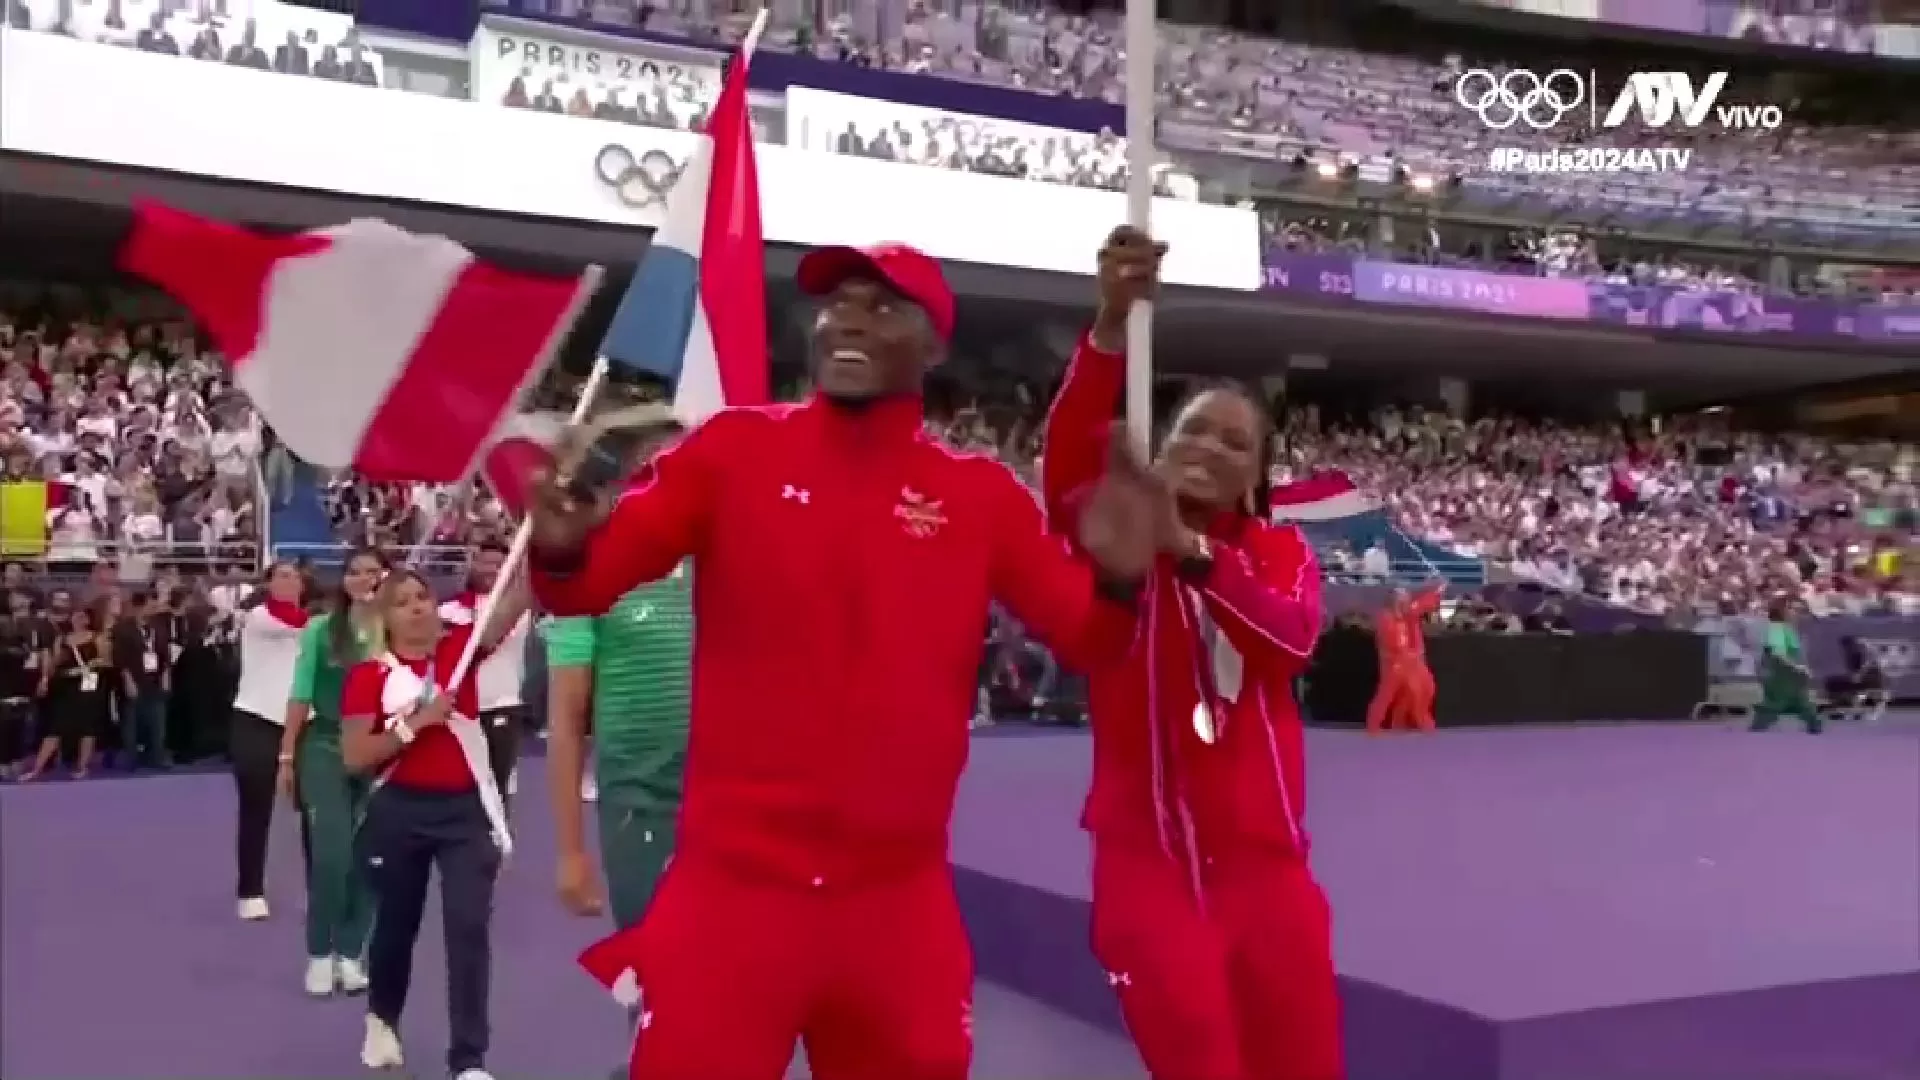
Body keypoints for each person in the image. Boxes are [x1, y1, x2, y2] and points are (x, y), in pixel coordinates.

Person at [532, 242, 1163, 1080]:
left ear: (931, 345)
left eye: (882, 306)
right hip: (733, 899)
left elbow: (1090, 641)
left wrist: (1120, 584)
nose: (849, 321)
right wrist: (564, 550)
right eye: (839, 304)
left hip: (897, 910)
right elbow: (584, 586)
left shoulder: (978, 499)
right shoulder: (731, 454)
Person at [1041, 224, 1342, 1080]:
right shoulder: (1112, 531)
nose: (1209, 448)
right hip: (1149, 869)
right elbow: (1069, 453)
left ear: (1255, 480)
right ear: (1160, 445)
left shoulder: (1276, 556)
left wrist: (1197, 555)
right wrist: (1109, 327)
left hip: (1269, 875)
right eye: (1194, 432)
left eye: (1234, 444)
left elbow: (1290, 640)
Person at [545, 419, 692, 1076]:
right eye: (655, 462)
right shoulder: (592, 572)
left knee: (737, 982)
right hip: (641, 804)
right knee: (661, 982)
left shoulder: (726, 558)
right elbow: (568, 718)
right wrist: (572, 851)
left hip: (730, 803)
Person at [339, 566, 528, 1080]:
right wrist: (413, 725)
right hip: (399, 809)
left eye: (423, 596)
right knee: (397, 926)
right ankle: (382, 1017)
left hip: (464, 813)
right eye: (403, 602)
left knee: (469, 928)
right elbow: (355, 756)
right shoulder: (370, 676)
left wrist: (543, 535)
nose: (418, 607)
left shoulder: (461, 651)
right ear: (387, 618)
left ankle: (468, 1060)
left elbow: (514, 603)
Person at [281, 545, 387, 996]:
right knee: (331, 857)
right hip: (324, 746)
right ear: (344, 581)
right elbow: (300, 693)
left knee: (370, 859)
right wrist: (286, 756)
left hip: (381, 752)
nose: (364, 580)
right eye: (356, 573)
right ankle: (319, 953)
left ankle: (350, 952)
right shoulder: (321, 631)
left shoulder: (395, 634)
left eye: (373, 572)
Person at [229, 558, 310, 922]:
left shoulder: (313, 626)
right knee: (256, 807)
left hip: (303, 722)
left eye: (295, 576)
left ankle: (317, 887)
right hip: (256, 718)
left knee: (314, 810)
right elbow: (297, 629)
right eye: (281, 575)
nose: (289, 581)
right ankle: (250, 890)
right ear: (269, 583)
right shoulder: (258, 618)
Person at [439, 541, 532, 800]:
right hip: (458, 709)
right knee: (461, 784)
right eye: (485, 562)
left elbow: (487, 639)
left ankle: (499, 837)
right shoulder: (448, 610)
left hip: (502, 705)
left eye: (499, 564)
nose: (492, 569)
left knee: (497, 785)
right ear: (472, 565)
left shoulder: (520, 611)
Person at [20, 605, 109, 780]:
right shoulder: (62, 640)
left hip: (89, 686)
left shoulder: (96, 638)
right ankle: (37, 769)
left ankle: (82, 767)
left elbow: (106, 660)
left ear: (88, 619)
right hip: (66, 687)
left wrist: (91, 665)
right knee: (56, 727)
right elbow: (53, 664)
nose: (78, 620)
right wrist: (48, 676)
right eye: (75, 616)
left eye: (82, 617)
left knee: (87, 727)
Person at [1365, 583, 1442, 734]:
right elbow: (1391, 642)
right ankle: (1374, 724)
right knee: (1388, 693)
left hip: (1408, 660)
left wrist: (1436, 592)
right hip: (1394, 662)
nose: (1405, 600)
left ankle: (1415, 722)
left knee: (1420, 690)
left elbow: (1421, 604)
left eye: (1406, 597)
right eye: (1402, 597)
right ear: (1394, 599)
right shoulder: (1386, 617)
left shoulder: (1408, 612)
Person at [114, 590, 175, 770]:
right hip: (134, 676)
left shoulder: (158, 626)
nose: (154, 608)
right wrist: (127, 679)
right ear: (140, 606)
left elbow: (165, 653)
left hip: (155, 677)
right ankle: (131, 756)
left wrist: (166, 674)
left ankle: (156, 755)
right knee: (132, 720)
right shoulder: (123, 628)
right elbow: (120, 657)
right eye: (151, 604)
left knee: (158, 719)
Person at [1752, 596, 1820, 733]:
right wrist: (1798, 667)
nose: (1799, 613)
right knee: (1775, 704)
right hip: (1778, 676)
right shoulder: (1777, 628)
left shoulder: (1790, 630)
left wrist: (1802, 669)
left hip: (1791, 678)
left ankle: (1814, 725)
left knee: (1802, 704)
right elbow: (1778, 654)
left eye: (1801, 610)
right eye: (1794, 609)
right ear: (1782, 610)